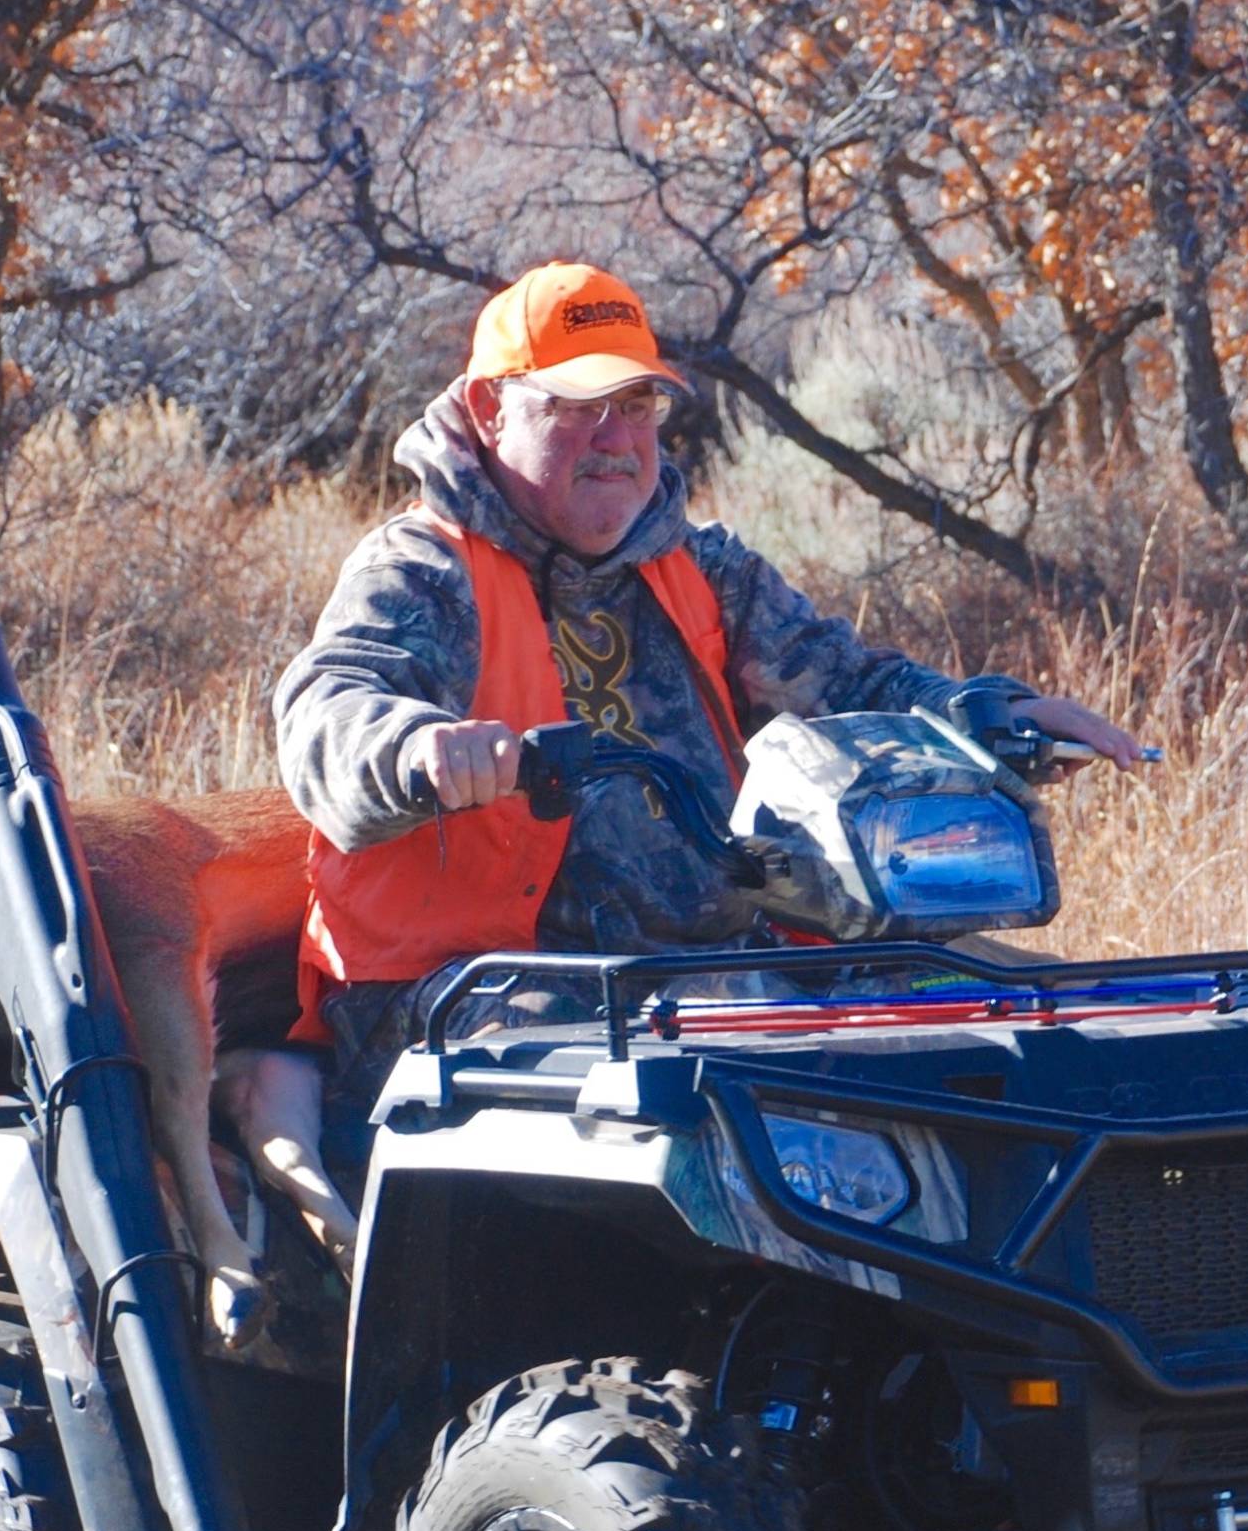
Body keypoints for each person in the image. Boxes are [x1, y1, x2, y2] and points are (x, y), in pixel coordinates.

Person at [275, 260, 1141, 1124]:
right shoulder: (423, 570)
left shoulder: (701, 565)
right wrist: (413, 748)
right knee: (705, 1091)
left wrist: (988, 716)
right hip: (479, 988)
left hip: (708, 967)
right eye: (578, 408)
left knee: (1012, 1026)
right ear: (492, 410)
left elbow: (848, 681)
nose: (615, 438)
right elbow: (328, 706)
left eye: (637, 404)